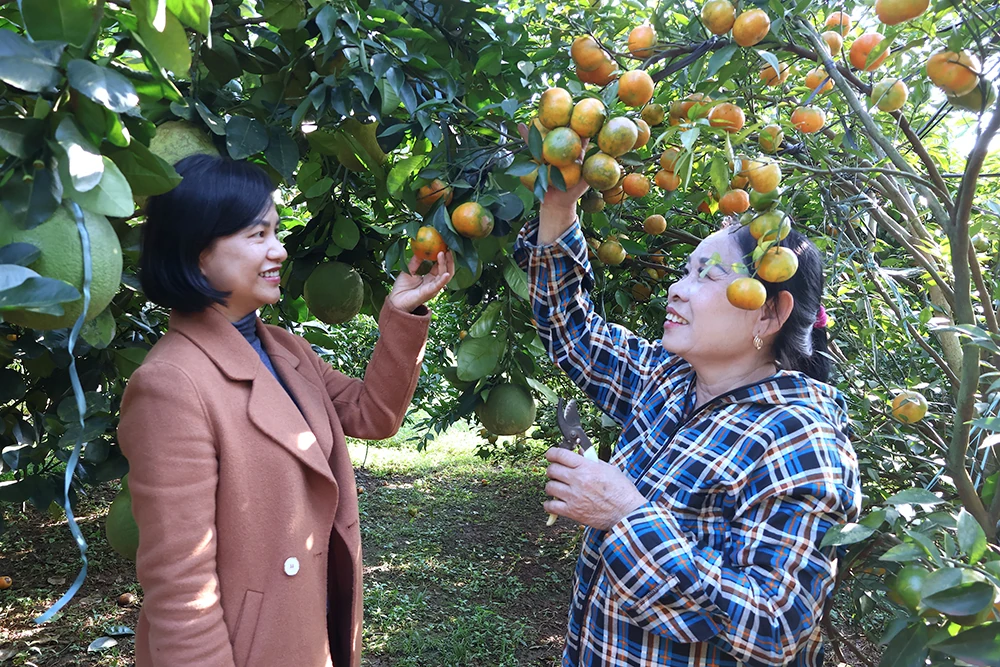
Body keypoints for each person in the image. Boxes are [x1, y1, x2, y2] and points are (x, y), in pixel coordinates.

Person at [513, 133, 861, 667]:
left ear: (769, 314)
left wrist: (625, 516)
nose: (677, 288)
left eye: (707, 274)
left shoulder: (800, 441)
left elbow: (774, 626)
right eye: (685, 271)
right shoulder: (668, 379)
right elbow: (570, 329)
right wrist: (559, 204)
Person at [117, 154, 453, 667]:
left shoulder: (285, 350)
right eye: (258, 235)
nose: (279, 250)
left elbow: (373, 415)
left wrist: (400, 317)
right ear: (198, 251)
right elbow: (180, 587)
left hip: (309, 626)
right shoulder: (171, 384)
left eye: (276, 232)